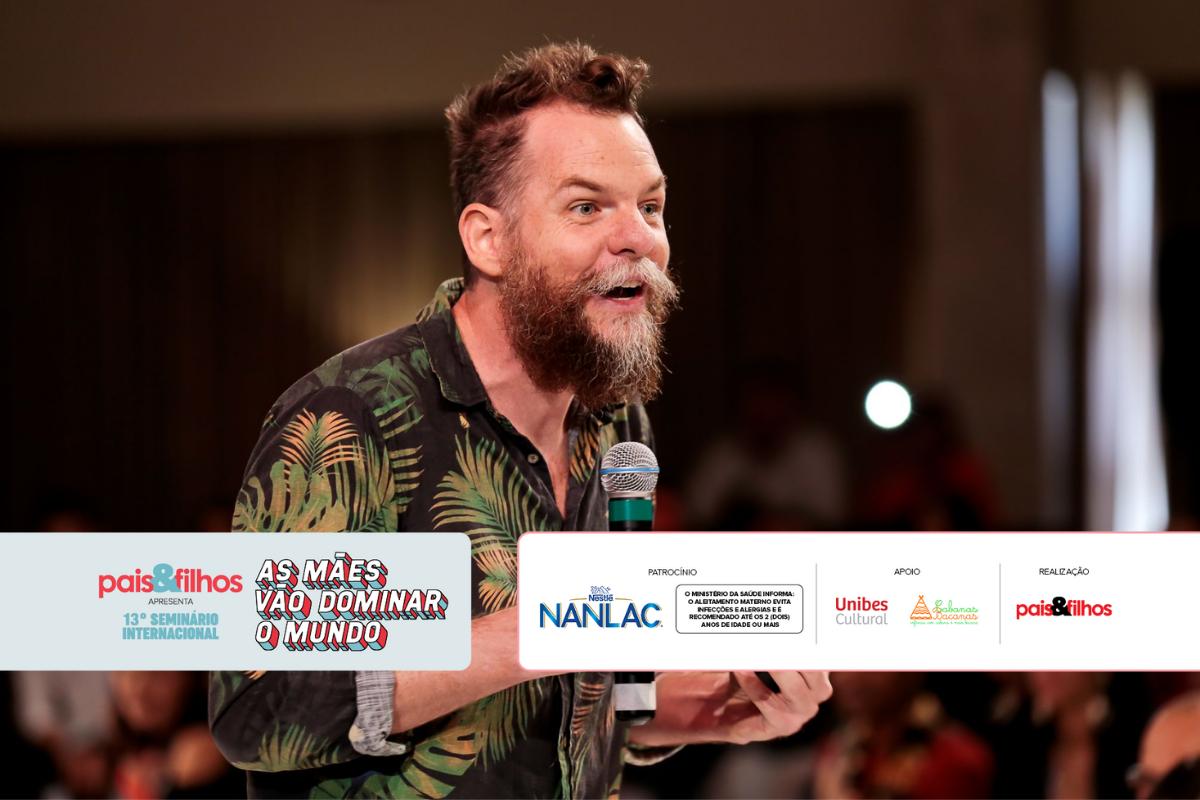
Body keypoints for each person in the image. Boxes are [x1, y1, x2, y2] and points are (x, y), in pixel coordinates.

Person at [209, 42, 832, 799]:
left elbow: (587, 706)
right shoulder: (350, 416)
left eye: (650, 206)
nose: (639, 237)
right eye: (586, 207)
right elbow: (257, 710)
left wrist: (717, 711)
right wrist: (542, 626)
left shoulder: (618, 423)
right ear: (488, 239)